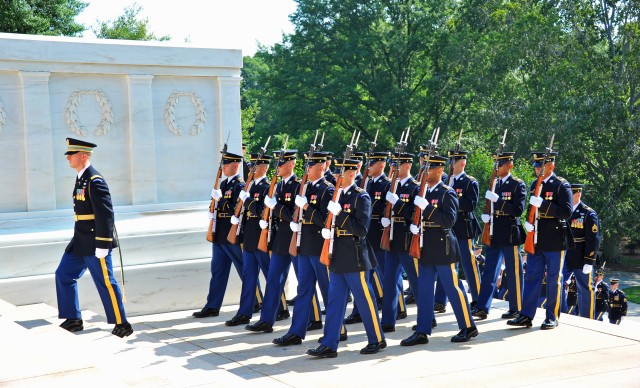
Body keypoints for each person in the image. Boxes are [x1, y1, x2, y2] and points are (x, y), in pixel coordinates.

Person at [307, 158, 385, 358]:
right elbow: (330, 221)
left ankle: (377, 338)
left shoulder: (362, 197)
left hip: (355, 254)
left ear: (351, 174)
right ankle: (329, 344)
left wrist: (340, 214)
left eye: (339, 174)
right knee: (334, 301)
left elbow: (361, 229)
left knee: (364, 299)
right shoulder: (337, 195)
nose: (335, 177)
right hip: (337, 253)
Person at [55, 138, 132, 337]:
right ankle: (73, 318)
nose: (68, 158)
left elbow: (106, 214)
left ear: (83, 156)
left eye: (71, 155)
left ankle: (122, 323)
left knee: (106, 282)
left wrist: (103, 244)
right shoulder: (82, 178)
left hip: (95, 242)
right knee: (63, 274)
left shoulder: (94, 180)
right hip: (80, 240)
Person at [402, 155, 478, 346]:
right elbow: (415, 213)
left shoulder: (447, 193)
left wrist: (426, 208)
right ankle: (422, 330)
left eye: (428, 170)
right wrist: (415, 223)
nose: (424, 174)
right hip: (426, 246)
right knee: (425, 290)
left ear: (439, 170)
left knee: (453, 288)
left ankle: (468, 326)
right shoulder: (423, 191)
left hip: (443, 246)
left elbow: (449, 221)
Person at [273, 151, 336, 345]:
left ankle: (337, 330)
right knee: (303, 291)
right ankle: (296, 331)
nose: (306, 168)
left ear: (321, 167)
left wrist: (307, 207)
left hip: (319, 246)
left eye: (310, 165)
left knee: (328, 291)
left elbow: (325, 220)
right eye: (306, 165)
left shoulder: (328, 190)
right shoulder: (305, 188)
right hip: (304, 247)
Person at [507, 151, 573, 330]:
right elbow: (531, 208)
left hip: (554, 239)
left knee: (553, 279)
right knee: (532, 277)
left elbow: (567, 212)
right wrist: (529, 223)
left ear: (551, 166)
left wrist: (543, 205)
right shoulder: (534, 184)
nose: (537, 170)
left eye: (540, 167)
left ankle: (552, 316)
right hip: (536, 238)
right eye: (536, 167)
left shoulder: (561, 185)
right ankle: (526, 315)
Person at [225, 153, 289, 326]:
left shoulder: (268, 187)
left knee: (271, 275)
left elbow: (264, 211)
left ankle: (281, 308)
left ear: (264, 168)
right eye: (251, 165)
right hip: (249, 236)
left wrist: (248, 203)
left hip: (263, 237)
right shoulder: (249, 186)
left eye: (255, 166)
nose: (251, 169)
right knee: (248, 276)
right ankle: (245, 311)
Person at [193, 150, 257, 318]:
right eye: (223, 164)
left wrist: (220, 200)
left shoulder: (240, 185)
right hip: (219, 233)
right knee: (218, 271)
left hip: (231, 233)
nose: (223, 168)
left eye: (226, 165)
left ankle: (257, 301)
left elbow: (236, 209)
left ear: (235, 165)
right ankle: (213, 305)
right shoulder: (223, 185)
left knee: (245, 269)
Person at [246, 150, 304, 333]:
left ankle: (314, 318)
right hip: (280, 238)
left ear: (290, 165)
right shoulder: (277, 186)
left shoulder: (298, 186)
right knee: (273, 279)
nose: (277, 168)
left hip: (295, 238)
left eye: (280, 164)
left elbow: (293, 214)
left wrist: (275, 207)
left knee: (304, 281)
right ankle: (266, 320)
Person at [474, 151, 526, 320]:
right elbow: (489, 205)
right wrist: (486, 215)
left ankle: (516, 308)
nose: (497, 168)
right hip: (494, 231)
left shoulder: (518, 185)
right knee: (489, 271)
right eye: (496, 164)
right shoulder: (494, 183)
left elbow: (518, 210)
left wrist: (498, 201)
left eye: (500, 164)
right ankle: (483, 307)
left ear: (509, 165)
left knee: (513, 272)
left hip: (510, 233)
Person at [380, 152, 420, 332]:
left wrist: (397, 204)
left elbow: (414, 214)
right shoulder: (391, 186)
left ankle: (427, 317)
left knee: (415, 280)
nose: (393, 169)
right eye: (392, 166)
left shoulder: (416, 187)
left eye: (397, 166)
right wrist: (385, 218)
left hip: (407, 239)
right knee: (389, 280)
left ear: (407, 166)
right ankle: (388, 320)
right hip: (391, 238)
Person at [447, 150, 482, 309]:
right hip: (447, 227)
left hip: (463, 227)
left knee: (469, 264)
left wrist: (451, 202)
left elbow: (471, 204)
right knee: (446, 263)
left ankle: (477, 299)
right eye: (450, 162)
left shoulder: (469, 182)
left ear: (462, 163)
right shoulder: (445, 180)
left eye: (454, 162)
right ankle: (441, 300)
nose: (451, 165)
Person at [561, 183, 600, 319]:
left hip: (581, 256)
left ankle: (587, 319)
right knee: (557, 284)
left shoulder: (588, 213)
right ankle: (558, 314)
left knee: (585, 288)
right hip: (564, 254)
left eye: (569, 195)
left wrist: (589, 261)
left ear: (578, 194)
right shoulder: (563, 210)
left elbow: (593, 239)